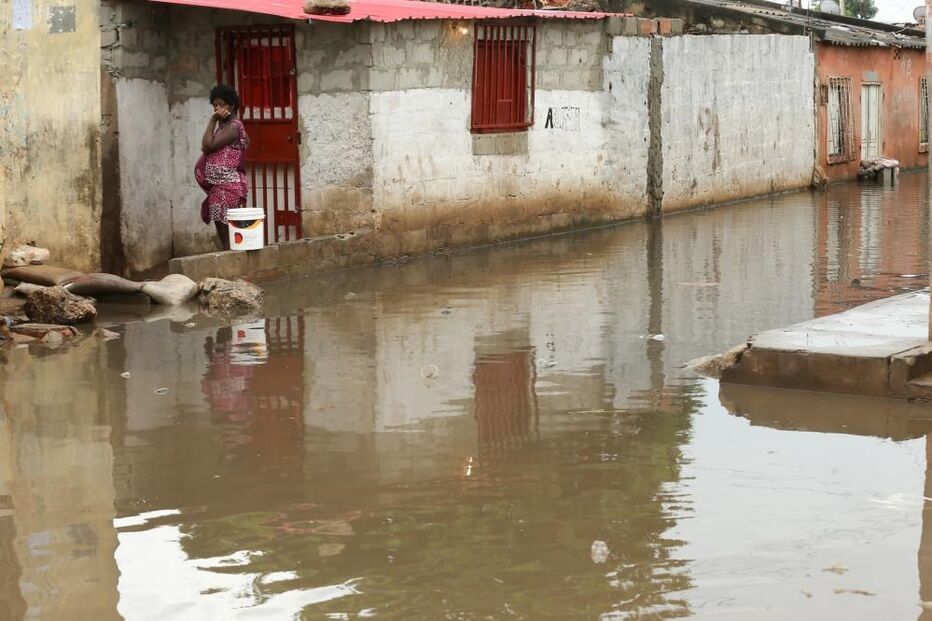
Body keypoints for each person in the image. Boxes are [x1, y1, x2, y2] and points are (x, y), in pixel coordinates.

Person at [195, 85, 249, 250]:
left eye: (221, 104)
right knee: (223, 232)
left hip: (227, 187)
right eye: (214, 105)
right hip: (219, 188)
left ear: (231, 105)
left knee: (228, 234)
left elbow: (207, 145)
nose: (217, 109)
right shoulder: (224, 126)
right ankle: (230, 263)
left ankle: (234, 266)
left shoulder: (233, 126)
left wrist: (212, 120)